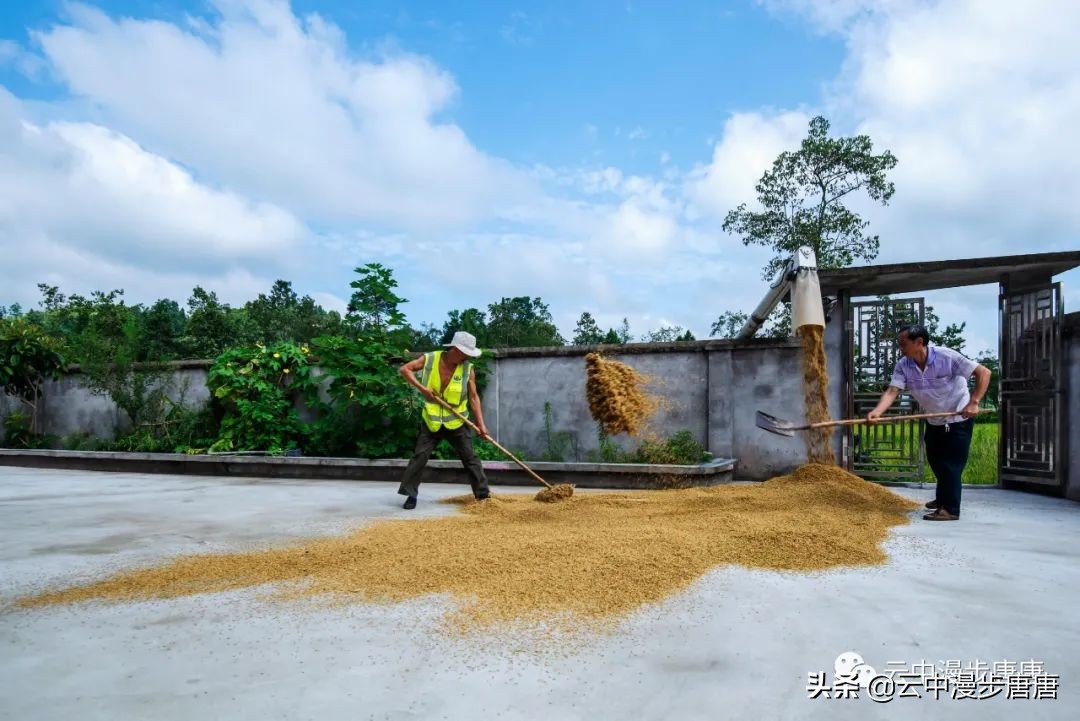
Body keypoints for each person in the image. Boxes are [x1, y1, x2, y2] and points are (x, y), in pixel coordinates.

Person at [867, 324, 992, 521]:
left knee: (951, 464)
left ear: (919, 342)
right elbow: (893, 391)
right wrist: (877, 412)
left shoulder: (946, 357)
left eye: (903, 344)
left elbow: (984, 372)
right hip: (933, 419)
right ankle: (943, 497)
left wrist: (974, 402)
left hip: (957, 419)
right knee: (935, 460)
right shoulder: (904, 365)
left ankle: (949, 509)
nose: (901, 348)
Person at [397, 331, 492, 509]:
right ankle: (411, 495)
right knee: (420, 457)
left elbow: (473, 398)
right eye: (465, 353)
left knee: (471, 458)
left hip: (457, 421)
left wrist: (481, 425)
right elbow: (405, 370)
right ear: (455, 349)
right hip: (431, 420)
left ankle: (483, 497)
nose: (466, 357)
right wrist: (422, 389)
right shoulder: (430, 359)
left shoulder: (468, 369)